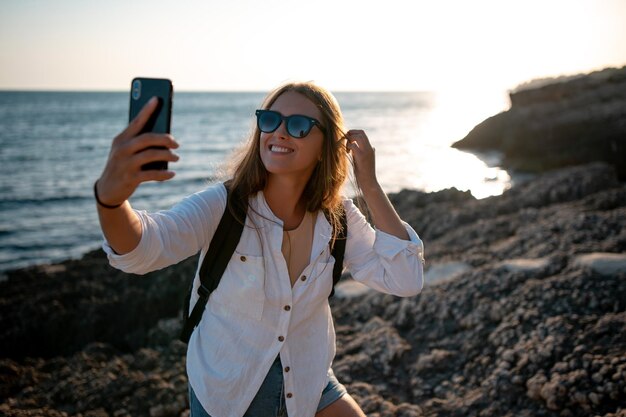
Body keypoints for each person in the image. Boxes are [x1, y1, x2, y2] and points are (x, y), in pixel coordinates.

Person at [94, 81, 425, 417]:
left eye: (297, 126)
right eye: (270, 120)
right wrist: (111, 200)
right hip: (230, 393)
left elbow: (404, 279)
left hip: (308, 379)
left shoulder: (338, 217)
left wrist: (368, 183)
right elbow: (145, 248)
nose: (280, 132)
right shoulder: (224, 205)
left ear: (327, 143)